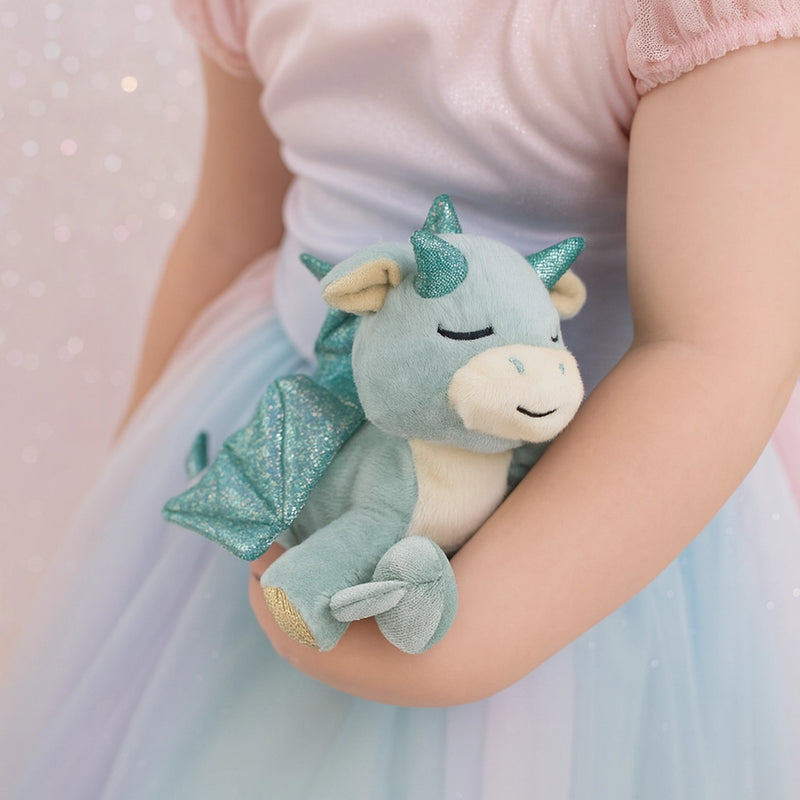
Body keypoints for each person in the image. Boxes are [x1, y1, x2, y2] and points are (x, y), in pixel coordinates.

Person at [2, 1, 800, 797]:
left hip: (590, 492)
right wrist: (133, 479)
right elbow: (228, 226)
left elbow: (714, 345)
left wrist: (469, 631)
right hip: (296, 430)